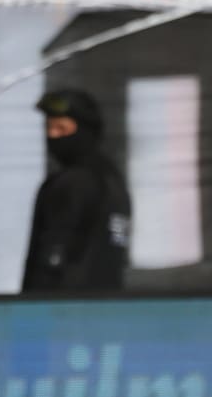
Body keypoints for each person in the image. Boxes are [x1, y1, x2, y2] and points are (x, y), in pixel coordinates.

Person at [23, 89, 132, 292]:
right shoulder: (113, 181)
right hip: (107, 309)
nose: (52, 136)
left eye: (62, 129)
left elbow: (51, 259)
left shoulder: (73, 183)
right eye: (49, 128)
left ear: (85, 130)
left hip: (64, 312)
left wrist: (33, 310)